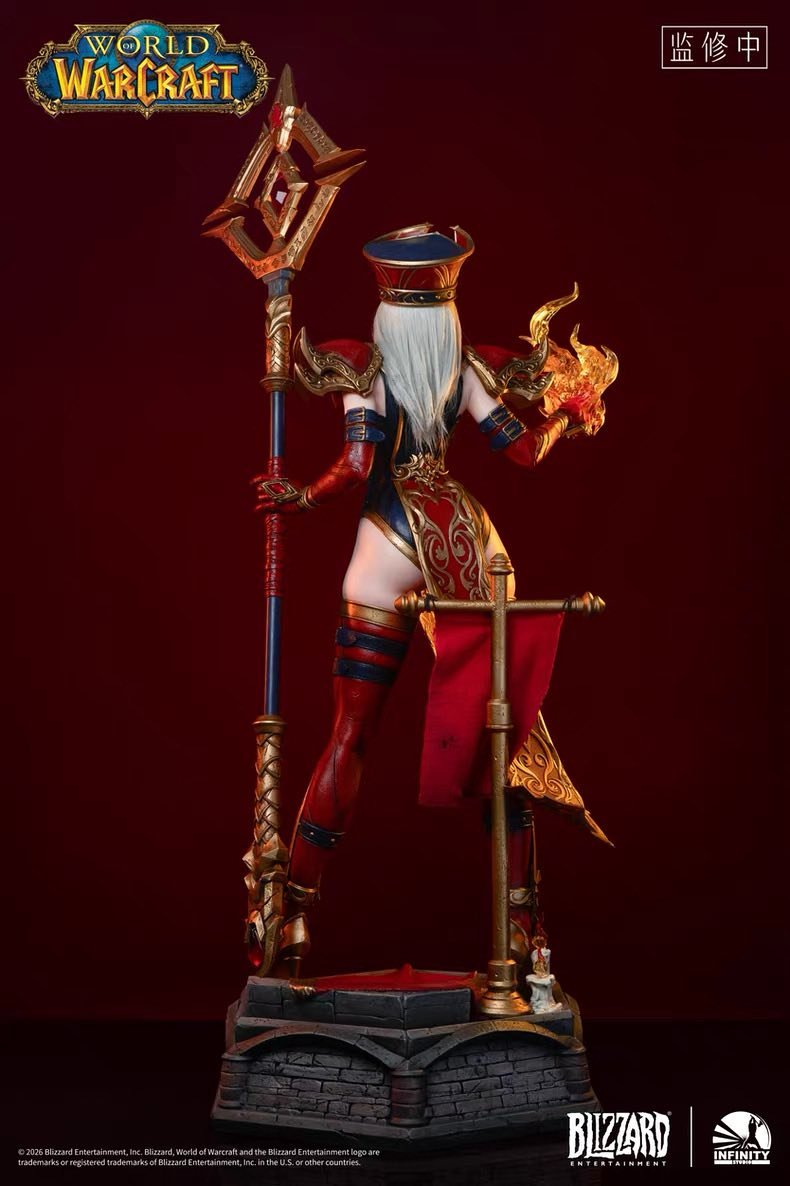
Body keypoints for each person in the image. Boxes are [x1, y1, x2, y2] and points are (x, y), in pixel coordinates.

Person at [254, 224, 617, 977]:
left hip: (386, 542)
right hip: (459, 532)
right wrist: (566, 417)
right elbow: (523, 452)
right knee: (502, 732)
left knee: (350, 735)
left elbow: (358, 465)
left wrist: (300, 498)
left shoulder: (364, 365)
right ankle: (524, 933)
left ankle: (291, 916)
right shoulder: (468, 369)